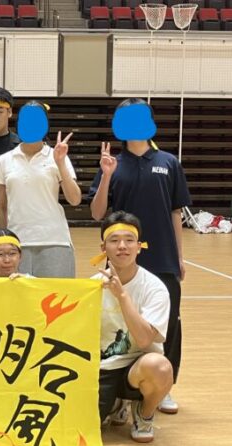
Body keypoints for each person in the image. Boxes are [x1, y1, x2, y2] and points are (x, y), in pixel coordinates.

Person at [89, 98, 191, 413]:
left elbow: (176, 212)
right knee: (117, 322)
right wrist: (106, 176)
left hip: (162, 257)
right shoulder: (112, 163)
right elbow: (97, 213)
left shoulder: (169, 162)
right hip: (121, 259)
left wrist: (179, 257)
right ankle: (122, 387)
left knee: (167, 324)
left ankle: (164, 386)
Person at [93, 211, 173, 443]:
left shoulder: (154, 287)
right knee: (85, 428)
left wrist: (122, 296)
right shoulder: (91, 286)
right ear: (103, 248)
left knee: (160, 367)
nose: (122, 246)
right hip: (103, 367)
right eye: (114, 240)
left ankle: (144, 413)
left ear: (139, 247)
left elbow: (144, 339)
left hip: (138, 366)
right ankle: (116, 403)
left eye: (129, 240)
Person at [0, 101, 81, 278]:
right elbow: (2, 207)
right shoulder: (4, 160)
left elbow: (75, 199)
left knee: (56, 295)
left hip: (55, 240)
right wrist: (4, 242)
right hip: (17, 242)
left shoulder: (57, 157)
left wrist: (60, 163)